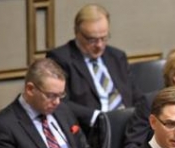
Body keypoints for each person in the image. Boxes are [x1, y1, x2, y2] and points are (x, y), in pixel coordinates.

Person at [46, 4, 142, 136]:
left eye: (104, 38)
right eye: (92, 40)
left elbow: (135, 96)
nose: (99, 45)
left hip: (129, 126)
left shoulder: (116, 56)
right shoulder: (61, 58)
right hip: (92, 131)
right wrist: (97, 117)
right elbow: (60, 103)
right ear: (77, 33)